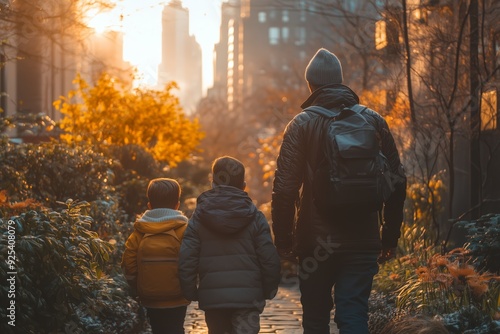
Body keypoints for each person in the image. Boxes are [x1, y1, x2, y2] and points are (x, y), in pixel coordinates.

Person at [271, 48, 407, 334]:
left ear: (311, 85)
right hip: (362, 239)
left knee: (316, 317)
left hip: (315, 242)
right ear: (341, 82)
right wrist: (389, 238)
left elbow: (284, 189)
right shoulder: (373, 120)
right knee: (354, 314)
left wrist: (283, 241)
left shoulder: (301, 125)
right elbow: (397, 181)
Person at [179, 156, 281, 334]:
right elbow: (269, 259)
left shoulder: (198, 218)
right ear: (243, 185)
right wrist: (267, 289)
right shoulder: (256, 217)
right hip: (248, 299)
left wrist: (190, 292)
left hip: (214, 300)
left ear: (213, 183)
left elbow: (187, 259)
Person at [122, 178, 190, 334]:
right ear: (177, 205)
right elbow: (191, 259)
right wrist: (190, 284)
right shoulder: (184, 229)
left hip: (150, 296)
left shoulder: (140, 230)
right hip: (178, 296)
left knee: (157, 329)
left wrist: (136, 283)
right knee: (176, 328)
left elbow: (129, 260)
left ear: (149, 205)